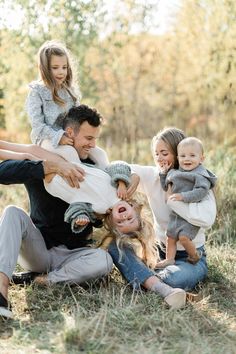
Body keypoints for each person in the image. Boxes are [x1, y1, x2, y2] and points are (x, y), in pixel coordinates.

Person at [0, 105, 114, 319]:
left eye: (95, 139)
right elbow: (3, 172)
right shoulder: (44, 157)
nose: (92, 145)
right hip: (39, 249)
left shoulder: (92, 166)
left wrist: (95, 217)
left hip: (75, 255)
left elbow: (103, 203)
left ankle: (36, 280)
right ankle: (1, 291)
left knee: (104, 261)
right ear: (70, 134)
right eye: (88, 138)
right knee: (12, 212)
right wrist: (46, 167)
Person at [108, 127, 217, 300]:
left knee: (172, 278)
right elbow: (115, 165)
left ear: (178, 153)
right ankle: (155, 282)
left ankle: (150, 280)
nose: (159, 158)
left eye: (164, 153)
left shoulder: (198, 182)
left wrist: (173, 200)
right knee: (115, 247)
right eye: (156, 153)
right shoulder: (153, 175)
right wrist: (133, 176)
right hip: (159, 251)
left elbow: (206, 219)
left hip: (190, 258)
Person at [26, 39, 108, 168]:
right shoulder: (37, 92)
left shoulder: (70, 91)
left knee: (99, 153)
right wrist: (59, 137)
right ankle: (81, 179)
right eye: (55, 68)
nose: (61, 72)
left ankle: (105, 179)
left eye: (64, 67)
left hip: (69, 134)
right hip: (45, 138)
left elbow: (77, 119)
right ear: (44, 69)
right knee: (69, 152)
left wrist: (77, 135)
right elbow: (37, 126)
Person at [156, 137, 217, 268]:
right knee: (170, 237)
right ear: (178, 158)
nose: (187, 159)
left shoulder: (200, 175)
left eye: (192, 155)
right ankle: (169, 259)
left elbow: (200, 192)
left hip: (189, 215)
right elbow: (165, 186)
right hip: (176, 215)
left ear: (201, 159)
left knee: (184, 238)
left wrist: (182, 196)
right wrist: (163, 173)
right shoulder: (174, 173)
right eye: (183, 156)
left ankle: (194, 255)